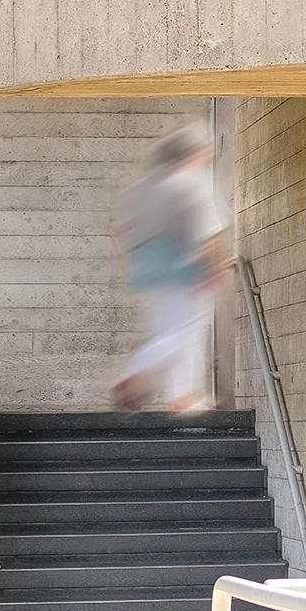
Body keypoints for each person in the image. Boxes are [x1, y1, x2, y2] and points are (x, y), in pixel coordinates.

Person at [111, 122, 230, 414]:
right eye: (204, 152)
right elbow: (206, 229)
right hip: (184, 266)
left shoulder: (145, 185)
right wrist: (213, 267)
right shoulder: (192, 180)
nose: (206, 158)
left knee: (168, 331)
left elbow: (127, 229)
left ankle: (182, 396)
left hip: (148, 268)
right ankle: (142, 374)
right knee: (186, 332)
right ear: (191, 153)